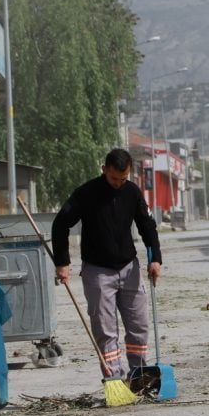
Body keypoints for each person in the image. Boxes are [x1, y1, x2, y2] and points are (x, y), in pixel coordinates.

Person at [52, 149, 162, 386]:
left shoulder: (132, 192)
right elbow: (60, 224)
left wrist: (156, 258)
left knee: (139, 325)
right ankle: (114, 378)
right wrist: (62, 263)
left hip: (129, 268)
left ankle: (139, 375)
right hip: (98, 271)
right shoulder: (86, 193)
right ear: (104, 170)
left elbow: (147, 225)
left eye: (123, 179)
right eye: (114, 179)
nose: (118, 184)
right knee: (105, 329)